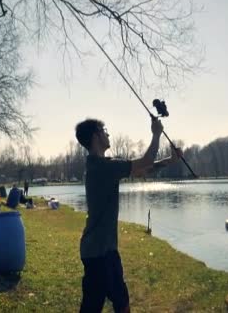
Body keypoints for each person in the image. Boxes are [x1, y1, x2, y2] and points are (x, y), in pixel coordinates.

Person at [75, 117, 182, 313]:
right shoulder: (101, 167)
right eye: (104, 130)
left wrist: (168, 161)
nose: (108, 133)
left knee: (107, 302)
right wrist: (156, 133)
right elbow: (145, 161)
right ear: (95, 136)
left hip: (102, 250)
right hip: (99, 251)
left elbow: (141, 170)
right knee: (111, 303)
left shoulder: (102, 165)